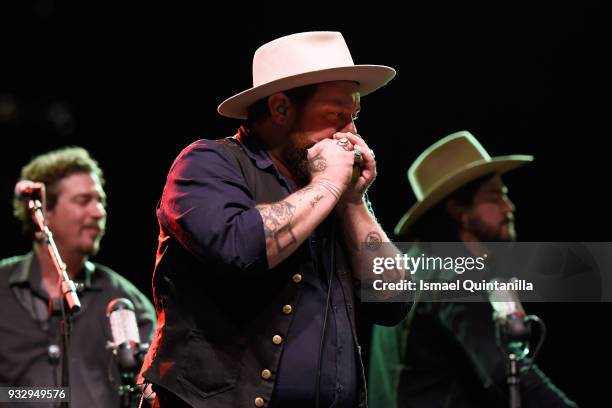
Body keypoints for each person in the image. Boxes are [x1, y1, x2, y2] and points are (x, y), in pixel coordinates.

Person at [140, 31, 409, 408]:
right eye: (335, 116)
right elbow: (239, 248)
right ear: (281, 109)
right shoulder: (206, 164)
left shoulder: (330, 193)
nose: (350, 134)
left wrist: (352, 200)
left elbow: (394, 302)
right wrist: (329, 183)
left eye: (354, 117)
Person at [368, 131, 578, 407]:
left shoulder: (422, 263)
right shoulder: (453, 274)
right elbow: (503, 374)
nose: (509, 207)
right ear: (459, 211)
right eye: (495, 197)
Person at [0, 146, 156, 407]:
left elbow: (151, 392)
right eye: (83, 201)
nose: (99, 212)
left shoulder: (127, 300)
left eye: (100, 201)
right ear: (43, 212)